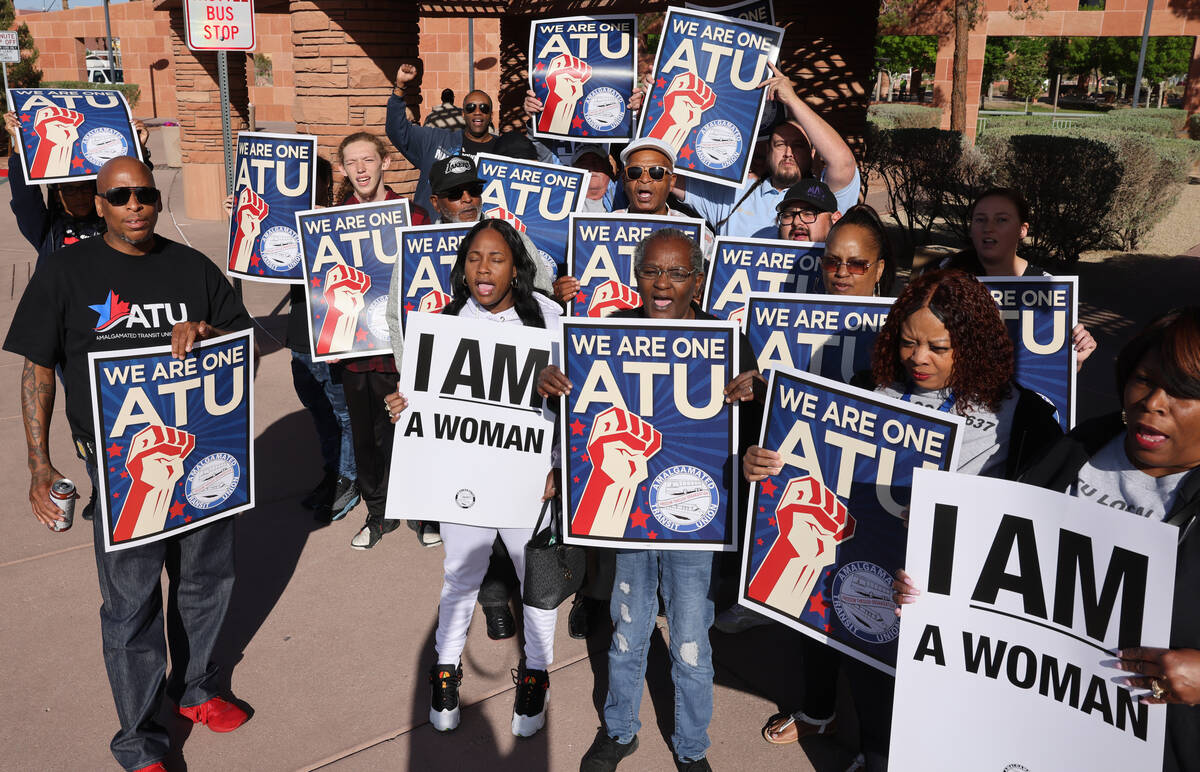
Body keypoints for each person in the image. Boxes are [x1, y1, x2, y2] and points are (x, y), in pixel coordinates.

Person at [746, 269, 1061, 770]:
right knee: (871, 680)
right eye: (909, 343)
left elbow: (1043, 522)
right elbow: (814, 464)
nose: (918, 358)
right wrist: (763, 464)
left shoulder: (1023, 418)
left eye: (938, 346)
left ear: (973, 344)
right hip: (869, 578)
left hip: (954, 600)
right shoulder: (869, 386)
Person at [5, 157, 253, 772]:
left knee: (205, 584)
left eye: (145, 194)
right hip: (122, 472)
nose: (135, 205)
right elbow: (37, 368)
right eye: (120, 196)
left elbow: (241, 344)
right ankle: (139, 740)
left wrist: (206, 330)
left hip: (202, 462)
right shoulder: (65, 272)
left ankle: (196, 690)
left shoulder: (191, 267)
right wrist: (40, 464)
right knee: (130, 604)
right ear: (98, 201)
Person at [897, 307, 1200, 772]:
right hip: (1022, 731)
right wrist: (931, 583)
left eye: (1183, 393)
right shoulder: (1080, 445)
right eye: (1144, 380)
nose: (1154, 402)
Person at [538, 228, 763, 772]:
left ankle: (691, 747)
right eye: (651, 271)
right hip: (630, 523)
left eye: (677, 273)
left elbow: (751, 433)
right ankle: (619, 731)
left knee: (690, 640)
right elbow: (579, 417)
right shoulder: (606, 330)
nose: (662, 284)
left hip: (694, 522)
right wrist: (545, 383)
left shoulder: (726, 339)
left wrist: (754, 392)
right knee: (627, 628)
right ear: (636, 277)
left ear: (699, 281)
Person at [719, 204, 899, 745]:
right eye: (832, 262)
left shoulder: (904, 329)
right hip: (813, 490)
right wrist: (753, 391)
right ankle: (818, 708)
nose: (841, 274)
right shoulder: (785, 323)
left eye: (856, 264)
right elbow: (779, 423)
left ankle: (878, 744)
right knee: (810, 608)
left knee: (870, 615)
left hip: (876, 493)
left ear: (881, 269)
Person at [383, 218, 563, 737]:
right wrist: (403, 405)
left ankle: (535, 675)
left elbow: (581, 405)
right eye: (474, 258)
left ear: (516, 269)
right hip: (463, 480)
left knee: (537, 583)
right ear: (463, 268)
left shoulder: (548, 318)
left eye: (497, 259)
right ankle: (445, 672)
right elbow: (423, 404)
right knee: (461, 576)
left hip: (530, 480)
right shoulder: (441, 323)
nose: (484, 269)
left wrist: (557, 460)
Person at [330, 131, 431, 550]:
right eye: (352, 162)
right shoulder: (330, 221)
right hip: (355, 352)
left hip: (403, 349)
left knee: (415, 429)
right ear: (343, 169)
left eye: (368, 160)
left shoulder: (414, 215)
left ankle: (425, 512)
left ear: (385, 162)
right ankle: (378, 511)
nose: (360, 169)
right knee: (367, 436)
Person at [680, 63, 861, 237]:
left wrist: (792, 99)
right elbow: (666, 177)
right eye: (780, 144)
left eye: (798, 146)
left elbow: (843, 163)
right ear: (768, 152)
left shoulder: (824, 195)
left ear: (812, 153)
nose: (788, 153)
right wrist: (654, 100)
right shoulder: (733, 194)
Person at [937, 187, 1096, 370]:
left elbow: (1052, 370)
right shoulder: (943, 272)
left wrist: (1076, 358)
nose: (988, 228)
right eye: (980, 219)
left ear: (1022, 230)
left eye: (1001, 220)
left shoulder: (1047, 286)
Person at [551, 137, 715, 306]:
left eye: (656, 172)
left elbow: (713, 298)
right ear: (624, 180)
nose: (645, 179)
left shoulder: (699, 235)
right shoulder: (595, 231)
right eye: (635, 172)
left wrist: (704, 298)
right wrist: (561, 293)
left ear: (672, 181)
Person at [5, 111, 150, 265]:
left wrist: (139, 151)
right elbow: (25, 201)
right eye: (70, 190)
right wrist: (19, 146)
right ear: (57, 195)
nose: (79, 196)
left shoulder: (111, 222)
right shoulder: (49, 231)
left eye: (85, 188)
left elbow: (137, 191)